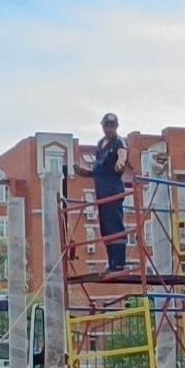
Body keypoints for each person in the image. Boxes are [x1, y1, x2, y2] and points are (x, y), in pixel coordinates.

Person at [74, 112, 129, 273]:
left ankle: (119, 262)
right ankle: (111, 262)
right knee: (105, 226)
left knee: (115, 224)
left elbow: (122, 153)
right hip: (101, 191)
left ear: (116, 126)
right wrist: (84, 171)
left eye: (111, 126)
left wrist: (120, 162)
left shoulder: (118, 142)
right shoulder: (100, 144)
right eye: (106, 125)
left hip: (112, 189)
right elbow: (98, 168)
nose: (109, 129)